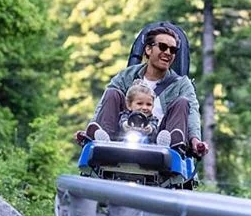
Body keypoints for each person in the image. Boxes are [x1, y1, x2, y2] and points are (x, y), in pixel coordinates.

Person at [75, 25, 209, 157]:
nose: (168, 52)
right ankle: (103, 140)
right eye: (163, 47)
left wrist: (195, 140)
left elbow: (192, 113)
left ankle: (174, 147)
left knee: (183, 102)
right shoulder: (126, 76)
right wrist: (90, 129)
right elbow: (104, 104)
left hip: (161, 139)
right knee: (112, 93)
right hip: (124, 135)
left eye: (173, 50)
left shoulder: (182, 84)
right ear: (148, 49)